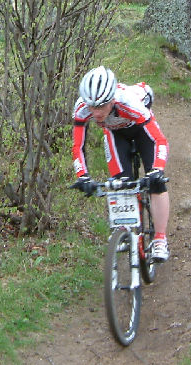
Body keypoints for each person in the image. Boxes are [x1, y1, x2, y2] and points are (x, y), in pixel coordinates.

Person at [71, 65, 171, 262]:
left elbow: (159, 140)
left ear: (112, 99)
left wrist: (157, 170)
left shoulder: (129, 102)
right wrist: (82, 176)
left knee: (156, 184)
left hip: (141, 129)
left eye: (101, 106)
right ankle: (123, 228)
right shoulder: (82, 108)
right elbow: (77, 146)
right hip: (115, 133)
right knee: (119, 184)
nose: (96, 112)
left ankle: (160, 238)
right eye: (92, 106)